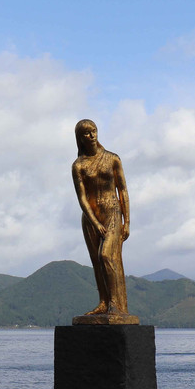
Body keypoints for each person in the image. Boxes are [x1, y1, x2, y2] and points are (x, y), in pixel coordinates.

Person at [72, 119, 130, 315]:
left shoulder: (113, 158)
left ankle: (116, 303)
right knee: (97, 261)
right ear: (80, 138)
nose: (92, 135)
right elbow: (82, 198)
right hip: (90, 219)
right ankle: (104, 302)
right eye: (87, 133)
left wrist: (127, 221)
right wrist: (95, 223)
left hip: (112, 212)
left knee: (106, 255)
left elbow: (122, 190)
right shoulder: (78, 165)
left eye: (94, 131)